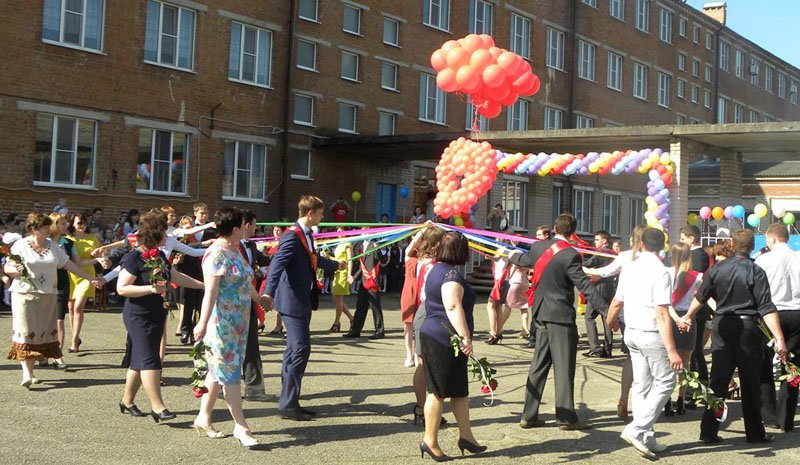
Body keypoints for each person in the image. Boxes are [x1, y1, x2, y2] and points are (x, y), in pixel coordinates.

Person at [682, 229, 787, 444]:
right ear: (751, 247)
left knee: (718, 380)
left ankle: (708, 431)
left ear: (732, 244)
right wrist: (779, 337)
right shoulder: (756, 271)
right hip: (748, 327)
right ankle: (755, 433)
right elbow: (766, 307)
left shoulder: (718, 268)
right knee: (750, 382)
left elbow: (701, 296)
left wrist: (688, 315)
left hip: (722, 324)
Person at [508, 213, 608, 430]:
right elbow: (585, 286)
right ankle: (566, 418)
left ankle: (528, 415)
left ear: (554, 228)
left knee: (538, 366)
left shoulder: (537, 247)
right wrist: (607, 312)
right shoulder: (571, 254)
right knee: (563, 368)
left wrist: (508, 254)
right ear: (573, 232)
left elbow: (521, 260)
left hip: (541, 314)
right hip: (561, 317)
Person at [262, 196, 343, 421]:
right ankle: (288, 404)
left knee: (294, 351)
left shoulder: (305, 236)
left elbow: (312, 259)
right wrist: (268, 292)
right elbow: (277, 264)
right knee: (300, 350)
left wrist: (336, 265)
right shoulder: (291, 236)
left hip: (302, 299)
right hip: (292, 301)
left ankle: (290, 400)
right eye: (319, 213)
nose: (322, 217)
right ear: (310, 214)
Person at [117, 210, 203, 422]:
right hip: (138, 315)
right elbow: (122, 288)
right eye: (164, 231)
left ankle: (127, 401)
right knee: (150, 358)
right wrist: (150, 289)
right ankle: (158, 406)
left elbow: (175, 276)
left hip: (156, 312)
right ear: (154, 234)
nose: (168, 235)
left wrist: (204, 285)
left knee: (139, 360)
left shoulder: (160, 255)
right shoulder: (133, 257)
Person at [192, 207, 266, 446]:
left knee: (218, 371)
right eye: (243, 225)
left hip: (239, 323)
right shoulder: (216, 254)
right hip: (221, 324)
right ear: (234, 229)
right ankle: (241, 427)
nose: (247, 228)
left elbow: (245, 280)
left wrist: (259, 299)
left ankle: (203, 417)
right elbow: (210, 292)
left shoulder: (235, 249)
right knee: (230, 374)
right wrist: (202, 324)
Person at [607, 228, 682, 459]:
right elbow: (661, 313)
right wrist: (672, 350)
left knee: (642, 383)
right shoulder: (660, 272)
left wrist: (611, 320)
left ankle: (646, 436)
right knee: (667, 381)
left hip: (632, 331)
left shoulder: (631, 266)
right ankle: (637, 428)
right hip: (650, 333)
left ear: (641, 244)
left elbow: (617, 301)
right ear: (662, 247)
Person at [4, 214, 100, 388]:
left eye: (49, 227)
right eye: (45, 228)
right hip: (24, 295)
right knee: (26, 331)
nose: (49, 230)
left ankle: (32, 372)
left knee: (38, 335)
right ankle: (26, 373)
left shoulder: (53, 247)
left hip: (48, 296)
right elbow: (7, 266)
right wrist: (14, 270)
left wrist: (88, 278)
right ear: (34, 230)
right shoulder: (20, 245)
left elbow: (69, 265)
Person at [418, 231, 486, 460]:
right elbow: (453, 306)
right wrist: (466, 337)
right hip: (443, 338)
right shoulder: (450, 276)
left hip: (438, 335)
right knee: (437, 392)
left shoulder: (436, 269)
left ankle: (466, 436)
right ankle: (429, 441)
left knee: (459, 390)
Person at [586, 225, 647, 419]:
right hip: (649, 317)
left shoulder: (625, 257)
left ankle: (623, 399)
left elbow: (605, 272)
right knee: (647, 361)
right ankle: (642, 405)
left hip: (629, 315)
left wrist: (581, 269)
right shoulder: (658, 261)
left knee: (632, 358)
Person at [755, 223, 800, 431]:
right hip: (797, 312)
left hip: (771, 313)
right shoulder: (798, 257)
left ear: (772, 239)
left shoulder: (763, 259)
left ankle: (769, 414)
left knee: (764, 362)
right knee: (792, 366)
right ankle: (786, 418)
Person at [664, 242, 703, 417]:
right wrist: (686, 317)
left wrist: (677, 319)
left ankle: (666, 401)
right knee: (685, 364)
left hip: (669, 319)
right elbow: (700, 299)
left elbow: (665, 303)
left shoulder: (664, 273)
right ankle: (681, 400)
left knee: (668, 362)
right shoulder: (697, 276)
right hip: (688, 319)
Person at [239, 210, 272, 402]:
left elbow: (263, 260)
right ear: (247, 225)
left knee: (251, 346)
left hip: (249, 301)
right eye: (254, 224)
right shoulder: (230, 246)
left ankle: (254, 389)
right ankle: (216, 385)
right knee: (229, 347)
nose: (256, 228)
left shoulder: (251, 245)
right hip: (233, 304)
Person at [680, 224, 712, 407]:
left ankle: (699, 390)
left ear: (692, 239)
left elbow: (693, 278)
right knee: (693, 351)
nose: (681, 242)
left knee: (695, 351)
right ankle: (698, 390)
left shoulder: (698, 255)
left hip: (696, 308)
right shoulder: (693, 255)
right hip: (693, 307)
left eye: (683, 238)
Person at [66, 212, 102, 353]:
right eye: (79, 223)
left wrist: (98, 257)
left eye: (84, 222)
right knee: (70, 308)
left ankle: (74, 340)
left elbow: (98, 255)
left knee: (78, 307)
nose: (82, 225)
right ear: (73, 224)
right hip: (71, 275)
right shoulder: (67, 239)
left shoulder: (92, 238)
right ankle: (76, 335)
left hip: (88, 275)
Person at [343, 235, 385, 339]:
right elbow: (362, 267)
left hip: (372, 280)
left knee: (375, 307)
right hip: (364, 281)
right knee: (360, 306)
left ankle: (380, 331)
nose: (363, 234)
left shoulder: (374, 244)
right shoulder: (362, 246)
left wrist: (377, 249)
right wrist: (354, 277)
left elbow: (378, 259)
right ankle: (355, 331)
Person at [583, 230, 616, 358]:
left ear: (604, 241)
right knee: (606, 318)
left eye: (597, 240)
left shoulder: (600, 252)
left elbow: (587, 263)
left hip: (598, 289)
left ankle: (595, 348)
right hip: (609, 289)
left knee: (589, 317)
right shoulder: (613, 253)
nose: (595, 242)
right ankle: (608, 348)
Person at [485, 244, 511, 344]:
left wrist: (489, 257)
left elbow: (497, 258)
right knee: (498, 307)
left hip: (501, 282)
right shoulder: (507, 250)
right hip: (504, 281)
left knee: (490, 306)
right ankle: (499, 332)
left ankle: (493, 333)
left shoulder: (503, 249)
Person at [330, 227, 354, 332]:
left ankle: (336, 322)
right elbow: (338, 260)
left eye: (342, 230)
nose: (339, 232)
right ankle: (352, 319)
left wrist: (349, 274)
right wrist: (328, 257)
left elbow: (350, 260)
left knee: (338, 299)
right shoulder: (338, 244)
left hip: (343, 273)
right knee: (336, 299)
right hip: (337, 272)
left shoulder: (347, 244)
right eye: (338, 231)